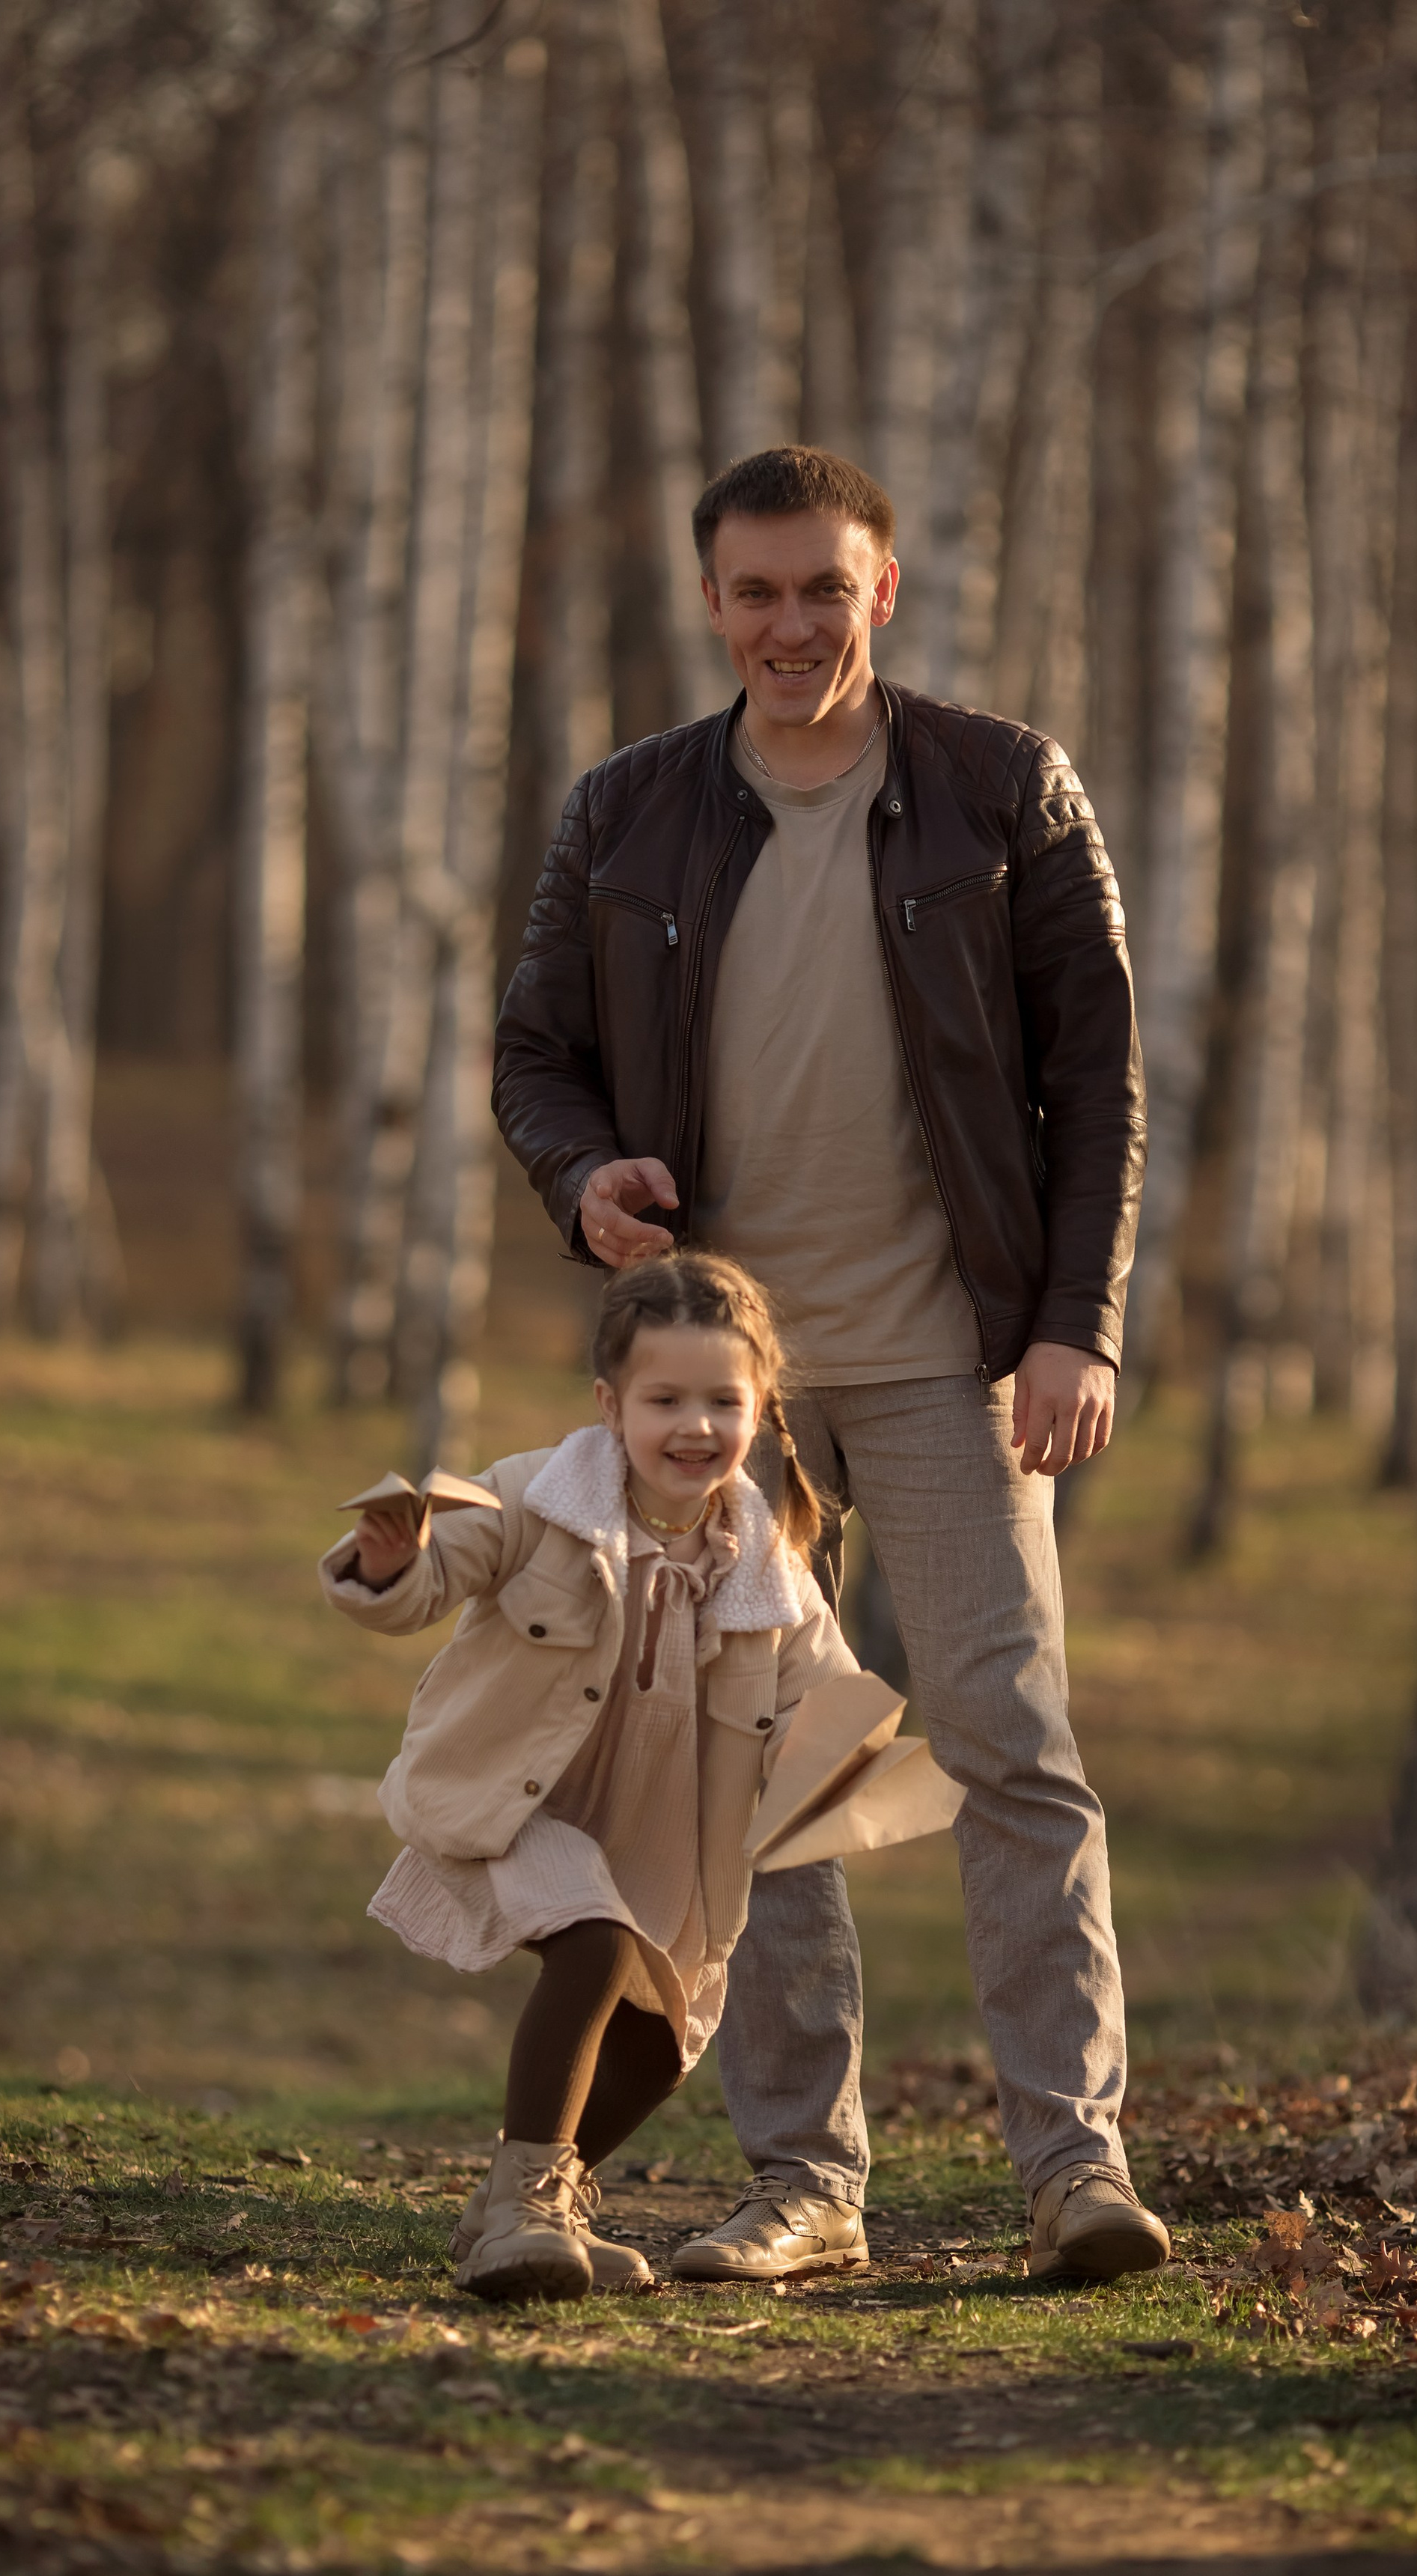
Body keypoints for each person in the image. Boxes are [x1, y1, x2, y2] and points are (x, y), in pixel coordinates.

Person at [493, 443, 1168, 2289]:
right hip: (724, 1397)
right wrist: (582, 1177)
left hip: (954, 1360)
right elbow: (533, 1056)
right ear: (710, 603)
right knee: (760, 1775)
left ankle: (1074, 2170)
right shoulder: (628, 813)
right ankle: (807, 2183)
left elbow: (1099, 1077)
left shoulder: (999, 791)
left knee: (1011, 1746)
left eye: (824, 588)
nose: (790, 624)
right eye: (755, 591)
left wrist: (1070, 1324)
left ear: (882, 591)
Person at [320, 1251, 884, 2304]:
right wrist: (392, 1565)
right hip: (518, 1803)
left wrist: (865, 1770)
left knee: (659, 2041)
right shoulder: (537, 1496)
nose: (695, 1426)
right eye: (665, 1399)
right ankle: (527, 2207)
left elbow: (830, 1700)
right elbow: (442, 1568)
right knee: (591, 1945)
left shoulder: (767, 1564)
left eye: (724, 1401)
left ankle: (528, 2200)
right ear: (610, 1402)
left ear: (762, 1410)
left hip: (659, 1838)